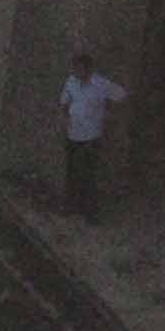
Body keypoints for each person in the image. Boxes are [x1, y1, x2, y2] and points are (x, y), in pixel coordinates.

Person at [60, 51, 127, 224]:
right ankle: (72, 206)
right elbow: (64, 103)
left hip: (90, 137)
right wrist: (66, 119)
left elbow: (121, 95)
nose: (76, 71)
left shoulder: (101, 84)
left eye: (79, 67)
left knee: (88, 174)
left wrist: (108, 114)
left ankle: (90, 212)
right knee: (72, 172)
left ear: (87, 68)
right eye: (74, 67)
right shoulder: (71, 82)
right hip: (73, 135)